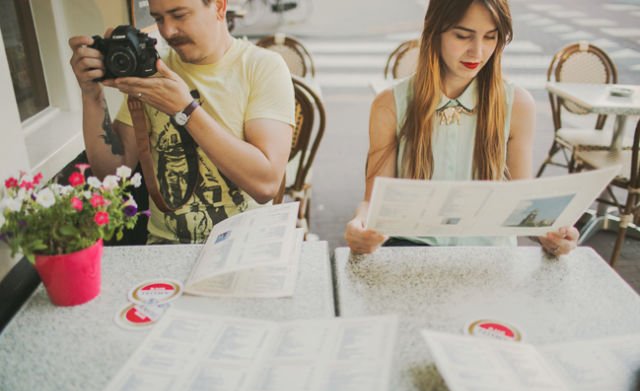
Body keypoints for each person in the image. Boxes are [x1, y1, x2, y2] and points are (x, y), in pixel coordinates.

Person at [344, 0, 579, 255]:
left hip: (490, 257)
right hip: (410, 251)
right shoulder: (390, 104)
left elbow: (522, 204)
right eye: (462, 36)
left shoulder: (518, 104)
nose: (477, 52)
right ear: (435, 32)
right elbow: (374, 201)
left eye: (490, 37)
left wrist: (551, 235)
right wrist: (360, 227)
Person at [69, 0, 295, 244]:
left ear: (219, 6)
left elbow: (266, 185)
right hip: (165, 246)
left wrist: (185, 110)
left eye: (179, 15)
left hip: (245, 244)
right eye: (158, 19)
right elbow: (112, 175)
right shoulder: (151, 71)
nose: (167, 31)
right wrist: (91, 95)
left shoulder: (261, 67)